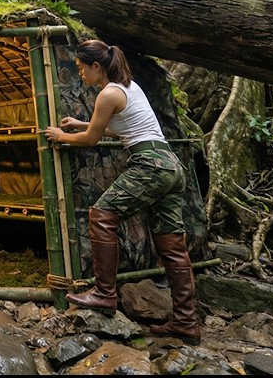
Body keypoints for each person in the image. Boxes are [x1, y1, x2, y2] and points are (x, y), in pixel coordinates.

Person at [41, 39, 201, 345]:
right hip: (170, 166)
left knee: (101, 216)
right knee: (172, 245)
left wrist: (61, 135)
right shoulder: (128, 87)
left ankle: (104, 293)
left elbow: (91, 140)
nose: (81, 74)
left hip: (149, 164)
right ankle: (186, 322)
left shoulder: (108, 93)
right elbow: (121, 128)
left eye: (82, 68)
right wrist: (80, 123)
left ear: (96, 66)